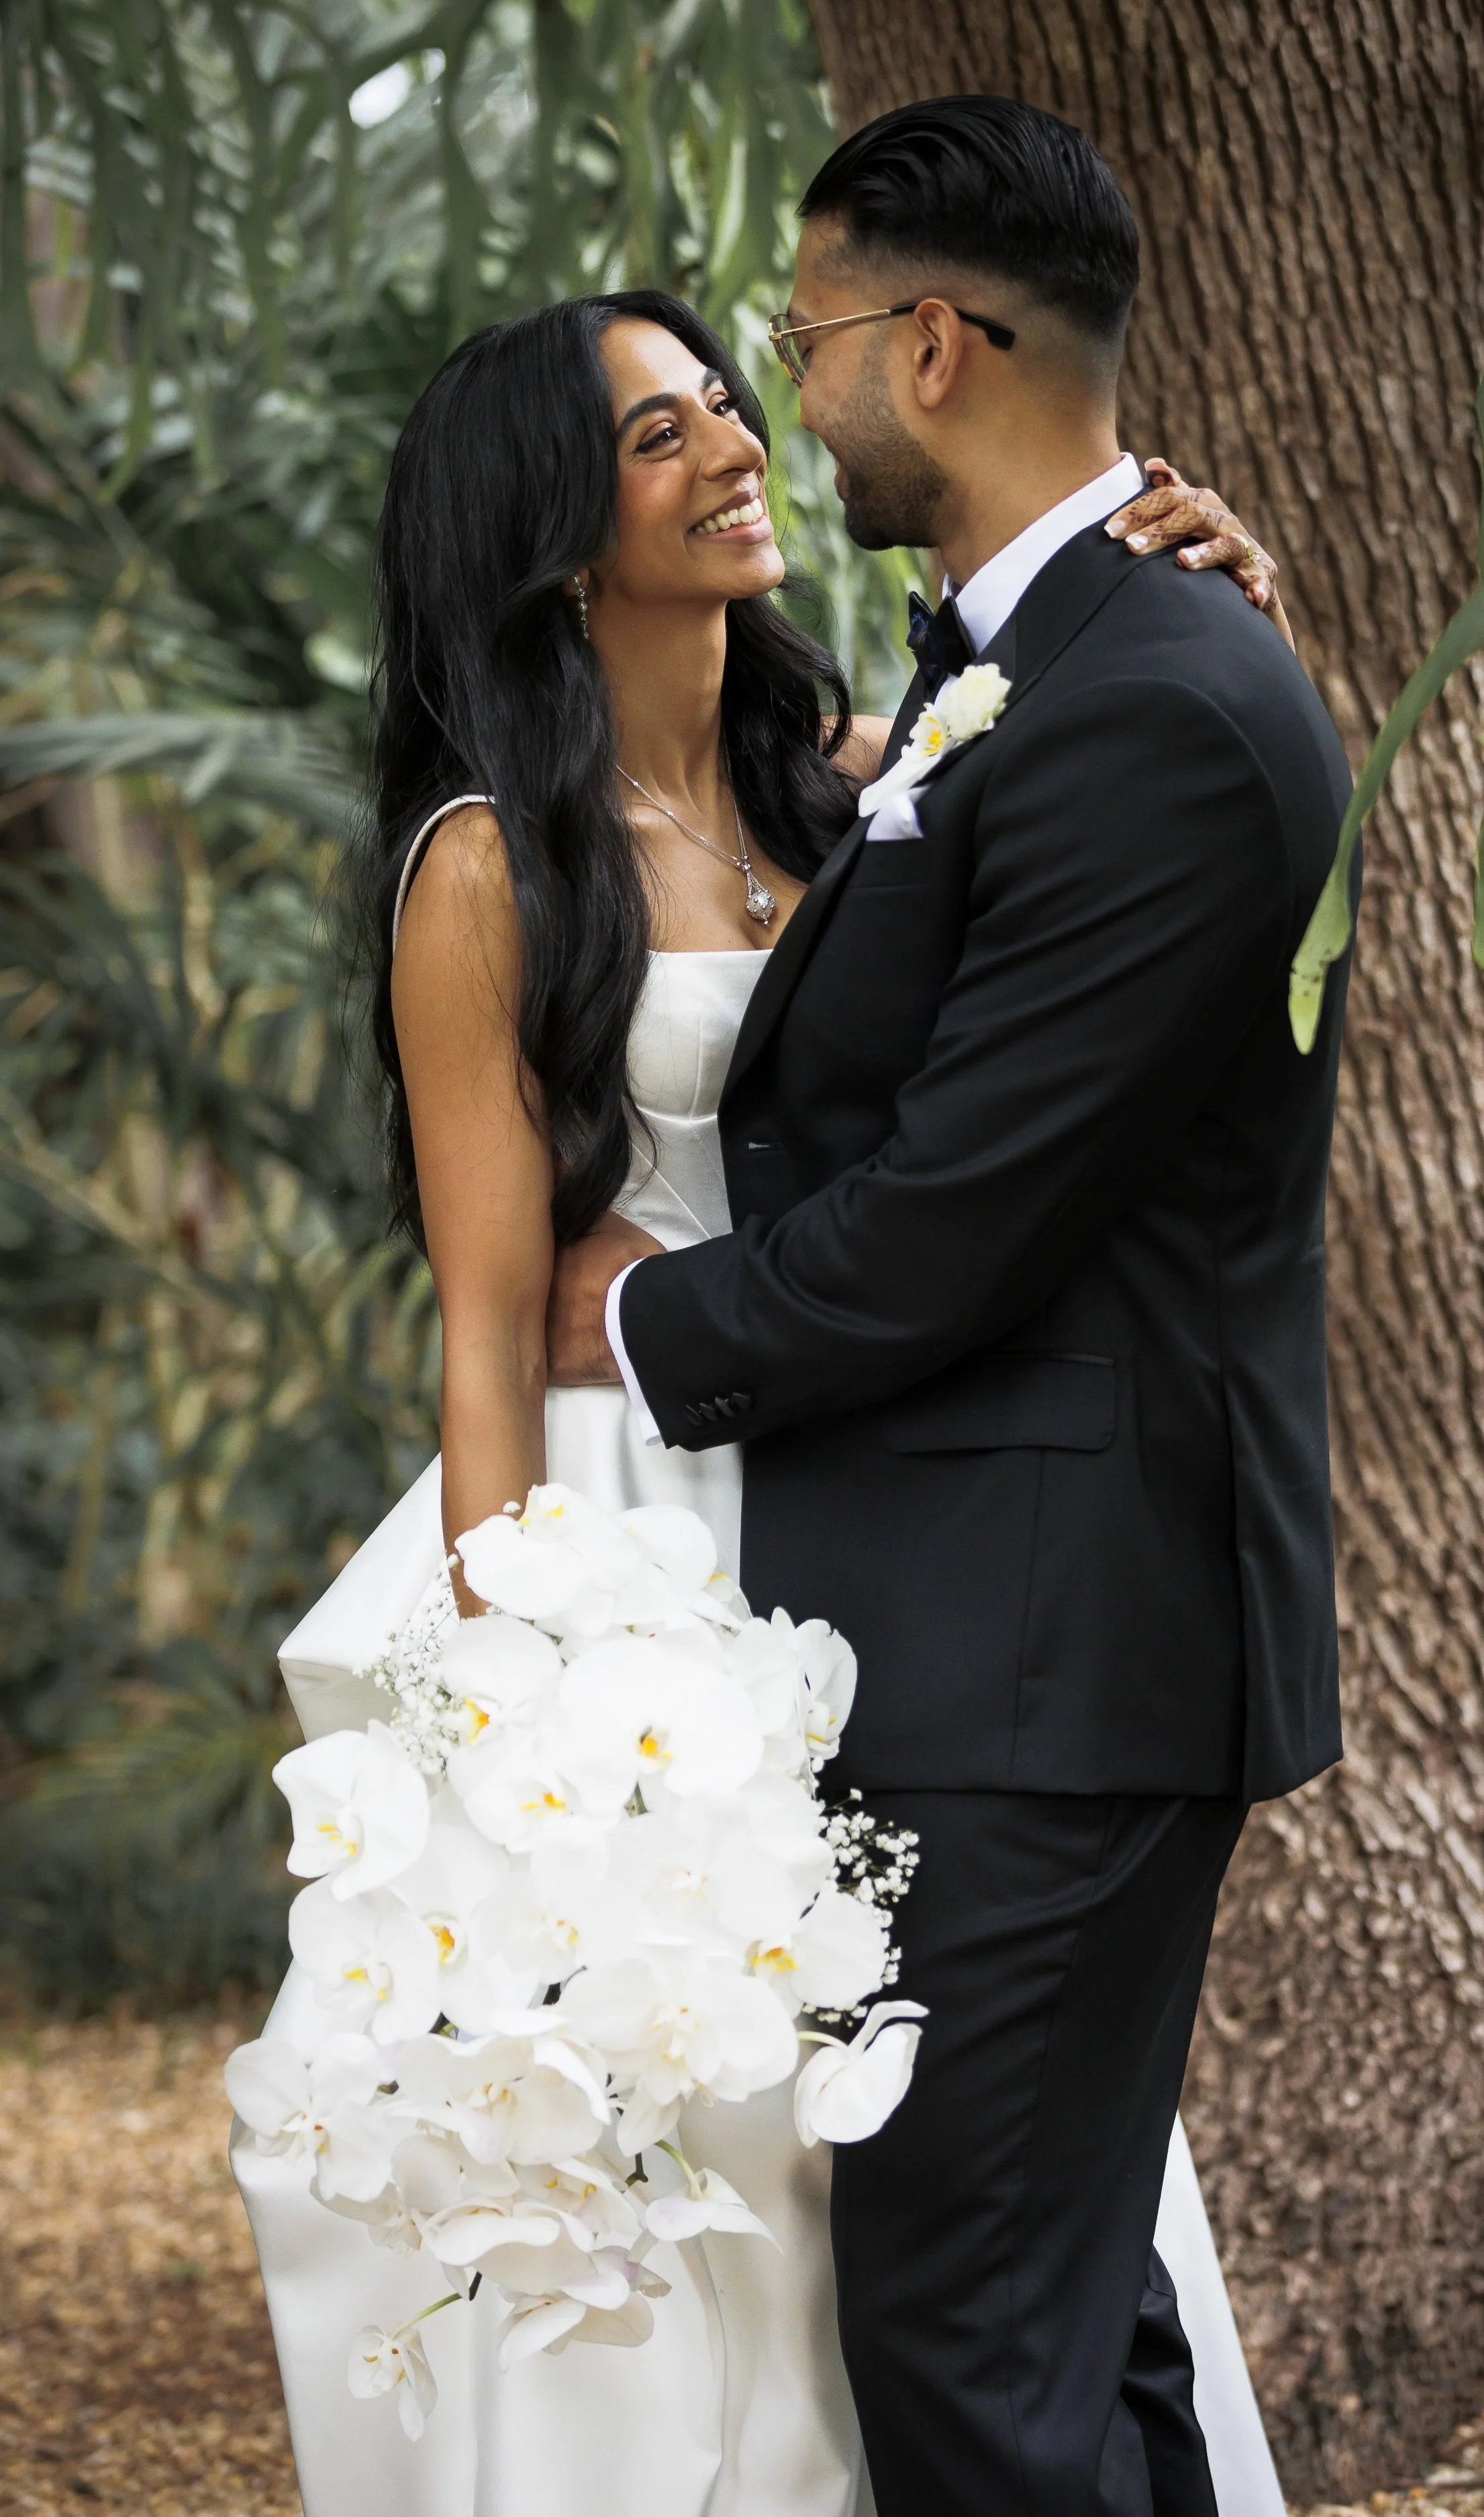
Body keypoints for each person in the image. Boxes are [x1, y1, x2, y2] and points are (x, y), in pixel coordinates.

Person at [232, 265, 1302, 2517]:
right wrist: (519, 1725)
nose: (736, 442)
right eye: (660, 432)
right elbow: (491, 1318)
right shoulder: (480, 875)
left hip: (900, 1526)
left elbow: (1095, 890)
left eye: (733, 394)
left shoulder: (868, 781)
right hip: (630, 1559)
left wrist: (1183, 592)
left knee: (965, 2163)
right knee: (711, 2159)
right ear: (548, 529)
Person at [544, 96, 1358, 2517]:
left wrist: (634, 1328)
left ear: (928, 340)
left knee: (970, 2363)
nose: (784, 402)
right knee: (1061, 2330)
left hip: (1047, 1657)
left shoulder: (1159, 705)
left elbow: (957, 1214)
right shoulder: (1029, 668)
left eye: (789, 345)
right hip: (959, 1635)